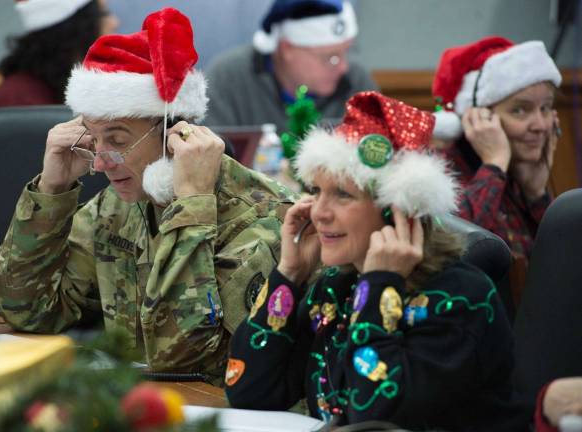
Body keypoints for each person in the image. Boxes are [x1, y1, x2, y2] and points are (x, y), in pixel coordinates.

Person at [0, 8, 296, 385]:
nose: (99, 163)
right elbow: (30, 310)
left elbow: (183, 360)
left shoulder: (259, 220)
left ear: (175, 132)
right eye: (92, 139)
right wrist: (52, 192)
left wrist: (192, 206)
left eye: (116, 141)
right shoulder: (118, 204)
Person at [224, 91, 533, 430]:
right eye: (316, 191)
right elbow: (249, 390)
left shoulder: (460, 299)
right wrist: (290, 274)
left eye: (342, 194)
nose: (320, 212)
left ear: (397, 210)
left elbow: (374, 418)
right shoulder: (336, 285)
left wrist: (379, 286)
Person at [431, 36, 562, 260]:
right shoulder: (439, 171)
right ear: (478, 117)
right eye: (520, 110)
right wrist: (494, 164)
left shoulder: (519, 172)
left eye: (545, 107)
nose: (541, 125)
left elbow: (561, 263)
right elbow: (454, 251)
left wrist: (535, 194)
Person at [204, 0, 377, 132]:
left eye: (346, 51)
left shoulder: (357, 83)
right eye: (330, 58)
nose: (343, 67)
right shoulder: (227, 80)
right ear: (287, 49)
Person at [0, 0, 119, 108]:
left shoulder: (78, 89)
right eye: (104, 14)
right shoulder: (19, 99)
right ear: (74, 29)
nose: (115, 22)